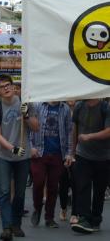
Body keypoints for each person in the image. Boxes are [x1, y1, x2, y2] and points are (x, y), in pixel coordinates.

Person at [0, 75, 39, 241]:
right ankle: (7, 227)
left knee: (19, 193)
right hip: (4, 156)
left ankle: (17, 224)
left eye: (8, 84)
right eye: (2, 87)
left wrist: (26, 116)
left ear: (13, 85)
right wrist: (12, 148)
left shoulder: (25, 103)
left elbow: (36, 127)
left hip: (23, 157)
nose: (6, 88)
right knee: (4, 192)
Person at [29, 101, 73, 228]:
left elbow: (69, 131)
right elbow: (29, 127)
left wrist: (69, 153)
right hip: (39, 152)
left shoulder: (64, 109)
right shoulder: (37, 105)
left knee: (53, 187)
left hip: (58, 153)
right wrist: (30, 147)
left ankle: (50, 217)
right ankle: (37, 208)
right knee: (38, 183)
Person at [71, 99, 110, 234]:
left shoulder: (105, 107)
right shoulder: (79, 106)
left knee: (99, 190)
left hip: (103, 156)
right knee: (82, 186)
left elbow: (109, 131)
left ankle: (96, 219)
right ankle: (84, 219)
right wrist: (72, 153)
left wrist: (89, 136)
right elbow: (75, 129)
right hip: (82, 154)